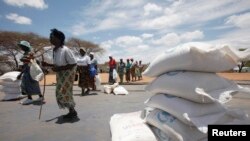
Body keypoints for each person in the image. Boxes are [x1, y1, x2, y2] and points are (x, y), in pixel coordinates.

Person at [42, 28, 78, 119]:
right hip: (60, 74)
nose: (50, 39)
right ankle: (72, 111)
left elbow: (73, 63)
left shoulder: (65, 50)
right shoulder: (55, 50)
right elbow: (57, 64)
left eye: (52, 37)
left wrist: (59, 68)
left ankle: (72, 111)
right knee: (60, 92)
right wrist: (47, 64)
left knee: (64, 91)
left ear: (59, 39)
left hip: (68, 73)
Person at [17, 40, 43, 105]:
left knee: (27, 84)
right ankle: (40, 97)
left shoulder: (29, 53)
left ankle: (30, 98)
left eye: (22, 46)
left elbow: (33, 61)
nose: (21, 48)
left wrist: (26, 60)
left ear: (26, 46)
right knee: (34, 84)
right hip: (29, 71)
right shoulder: (27, 53)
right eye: (21, 47)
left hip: (29, 71)